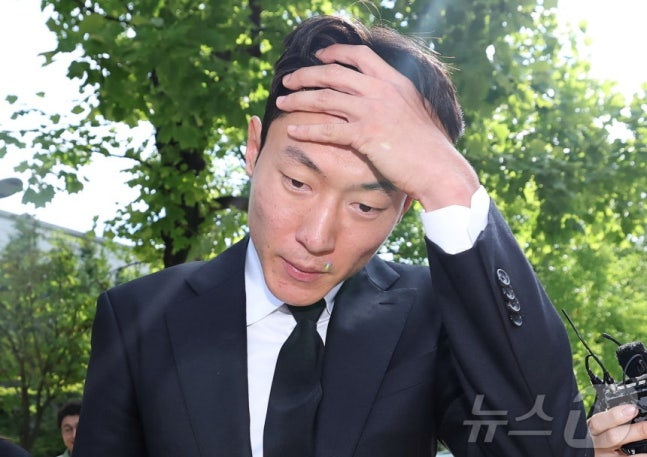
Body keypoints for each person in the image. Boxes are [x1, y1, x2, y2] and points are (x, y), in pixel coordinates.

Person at [74, 15, 592, 456]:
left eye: (366, 206)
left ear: (404, 206)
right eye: (298, 182)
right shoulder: (137, 317)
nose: (317, 237)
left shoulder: (431, 318)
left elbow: (546, 445)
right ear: (254, 148)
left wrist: (450, 183)